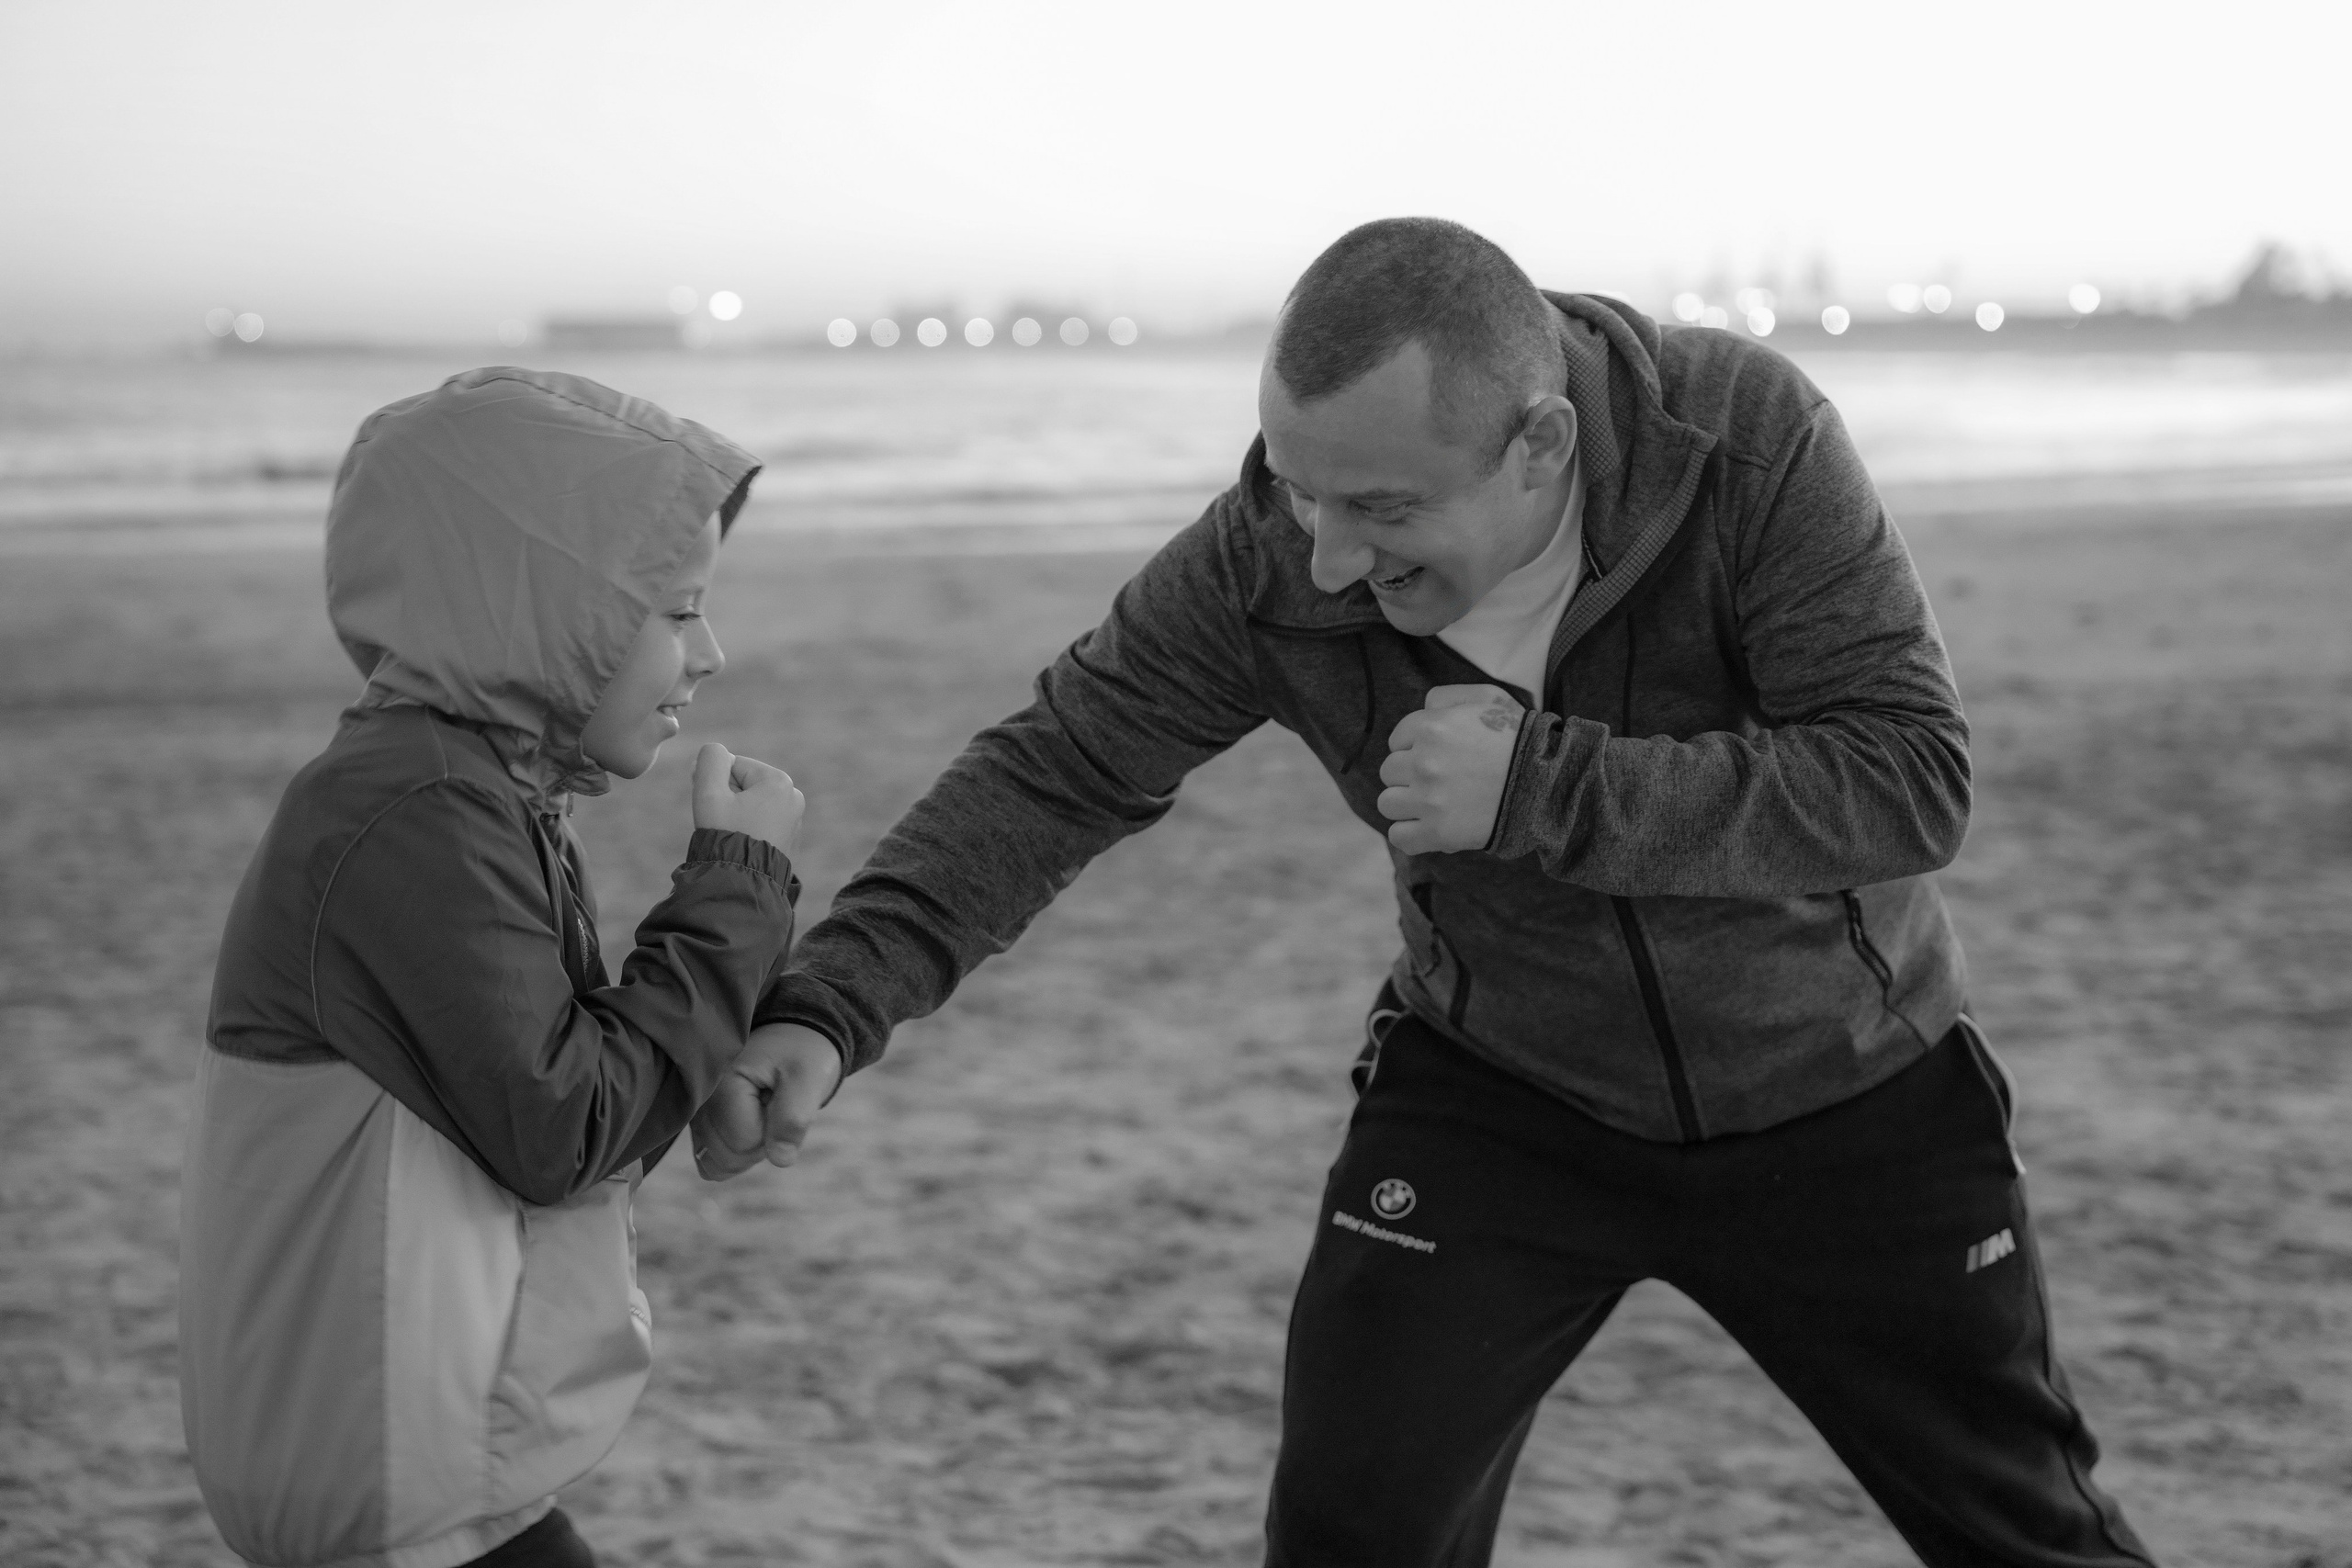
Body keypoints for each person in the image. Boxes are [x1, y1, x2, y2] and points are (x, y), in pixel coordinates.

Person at [696, 219, 2156, 1565]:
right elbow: (1058, 770)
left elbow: (1905, 777)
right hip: (1502, 1095)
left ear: (1540, 446)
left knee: (2025, 1533)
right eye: (1297, 488)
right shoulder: (1275, 552)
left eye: (1382, 506)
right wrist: (833, 1007)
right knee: (1351, 1534)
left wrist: (1540, 789)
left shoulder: (1741, 445)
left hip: (1846, 1089)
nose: (1328, 559)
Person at [179, 367, 814, 1568]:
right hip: (390, 1485)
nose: (711, 652)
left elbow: (546, 1076)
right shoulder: (415, 811)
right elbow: (564, 1125)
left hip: (428, 1468)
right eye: (675, 610)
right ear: (544, 610)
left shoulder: (459, 788)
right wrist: (740, 883)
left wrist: (705, 1048)